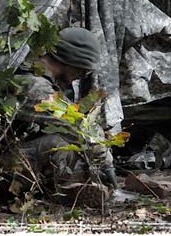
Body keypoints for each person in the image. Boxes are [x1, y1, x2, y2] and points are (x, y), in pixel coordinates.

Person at [9, 26, 118, 207]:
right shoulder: (32, 85)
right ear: (72, 61)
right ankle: (63, 193)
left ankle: (72, 189)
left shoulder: (40, 80)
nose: (81, 76)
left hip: (13, 160)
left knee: (65, 146)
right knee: (59, 144)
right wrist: (106, 161)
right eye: (84, 70)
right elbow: (75, 125)